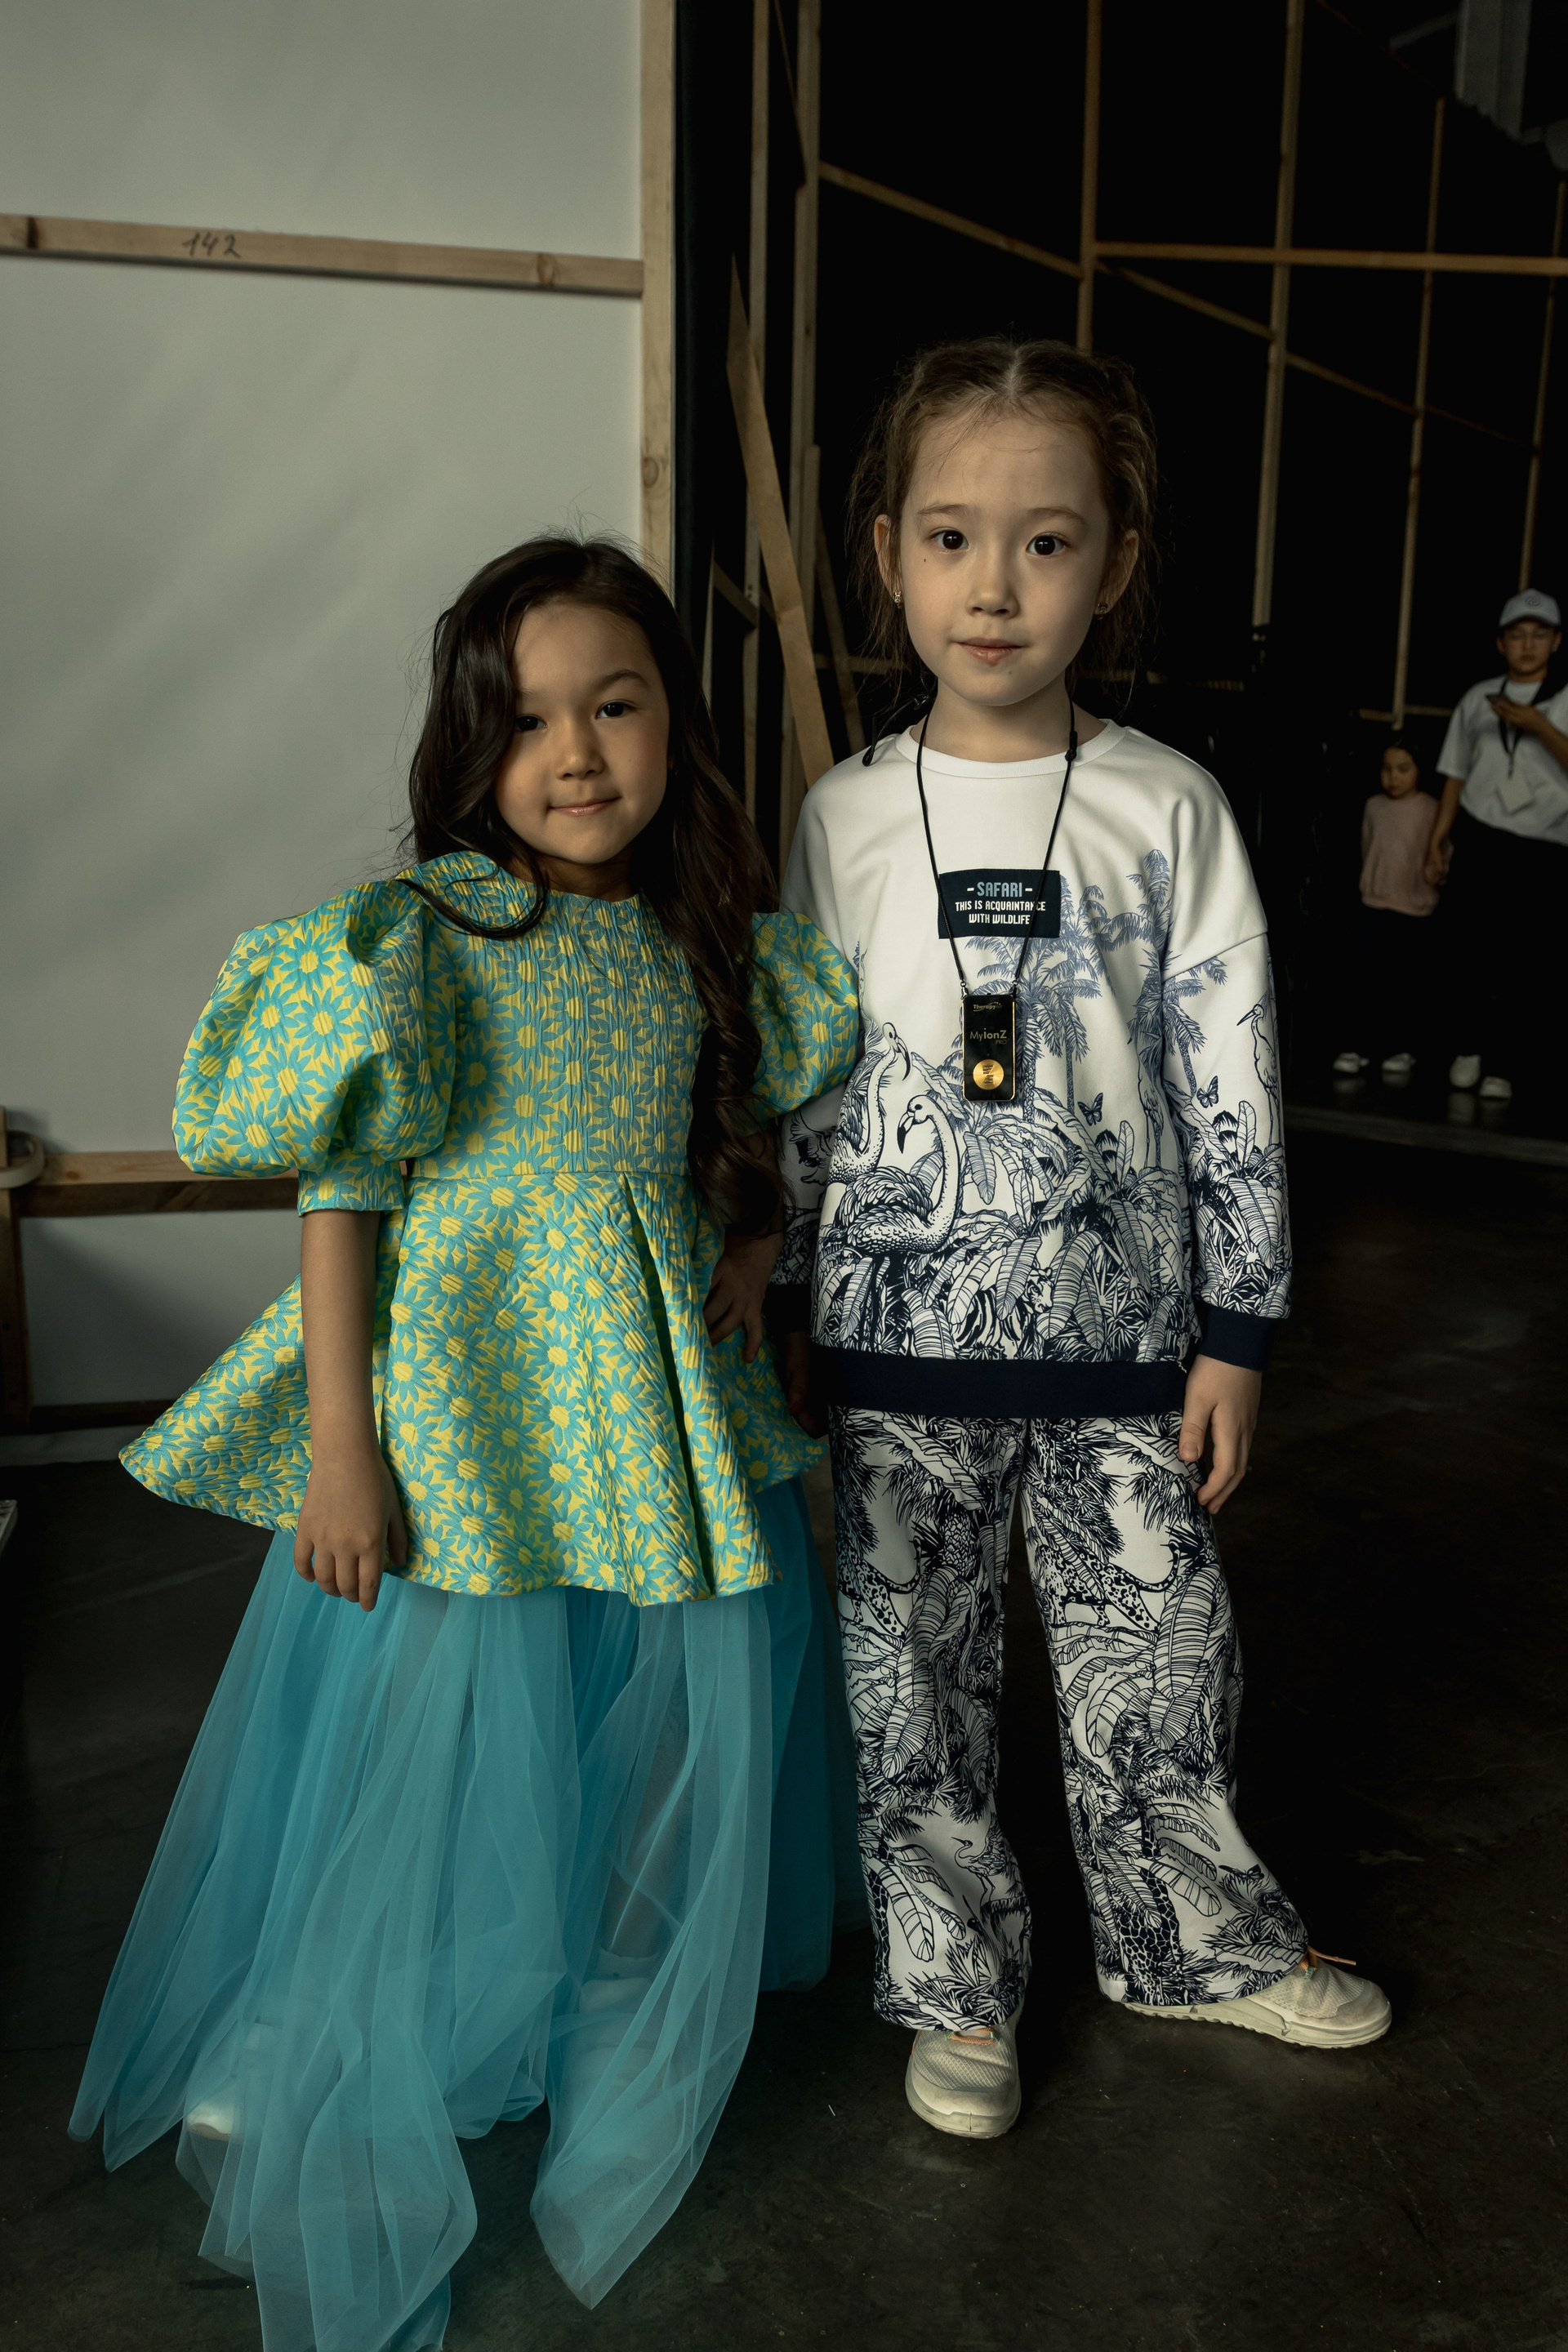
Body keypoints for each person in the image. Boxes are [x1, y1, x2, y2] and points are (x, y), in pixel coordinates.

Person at [70, 537, 864, 2349]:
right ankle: (317, 2021)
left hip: (639, 1406)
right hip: (467, 1408)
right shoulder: (420, 940)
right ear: (467, 744)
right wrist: (343, 1448)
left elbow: (738, 1133)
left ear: (674, 722)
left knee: (624, 1708)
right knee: (416, 1745)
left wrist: (753, 1249)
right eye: (525, 721)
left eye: (615, 706)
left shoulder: (717, 946)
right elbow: (344, 1198)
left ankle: (575, 1976)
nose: (573, 753)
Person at [769, 337, 1391, 2145]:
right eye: (951, 537)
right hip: (892, 1340)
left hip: (1127, 1335)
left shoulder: (1167, 803)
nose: (994, 585)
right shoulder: (842, 813)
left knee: (1161, 1651)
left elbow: (1230, 1070)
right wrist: (794, 1291)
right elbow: (808, 1078)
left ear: (1113, 565)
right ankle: (956, 1985)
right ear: (887, 554)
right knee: (912, 1676)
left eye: (1046, 542)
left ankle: (1188, 1939)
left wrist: (1239, 1330)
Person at [1425, 587, 1568, 1105]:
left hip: (1543, 847)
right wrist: (1438, 838)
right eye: (1517, 635)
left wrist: (1538, 725)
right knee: (1469, 947)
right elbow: (1455, 773)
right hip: (1481, 838)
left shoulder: (1565, 697)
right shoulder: (1479, 697)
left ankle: (1506, 1063)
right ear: (1500, 643)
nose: (1527, 645)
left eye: (1538, 635)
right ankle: (1468, 1049)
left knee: (1527, 958)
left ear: (1555, 642)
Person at [1332, 736, 1441, 1082]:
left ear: (1420, 771)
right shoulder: (1374, 806)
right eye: (1387, 769)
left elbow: (1441, 855)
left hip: (1413, 909)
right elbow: (1368, 848)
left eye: (1403, 769)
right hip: (1374, 903)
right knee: (1364, 979)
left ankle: (1400, 1049)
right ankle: (1356, 1047)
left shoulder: (1431, 808)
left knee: (1405, 983)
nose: (1393, 777)